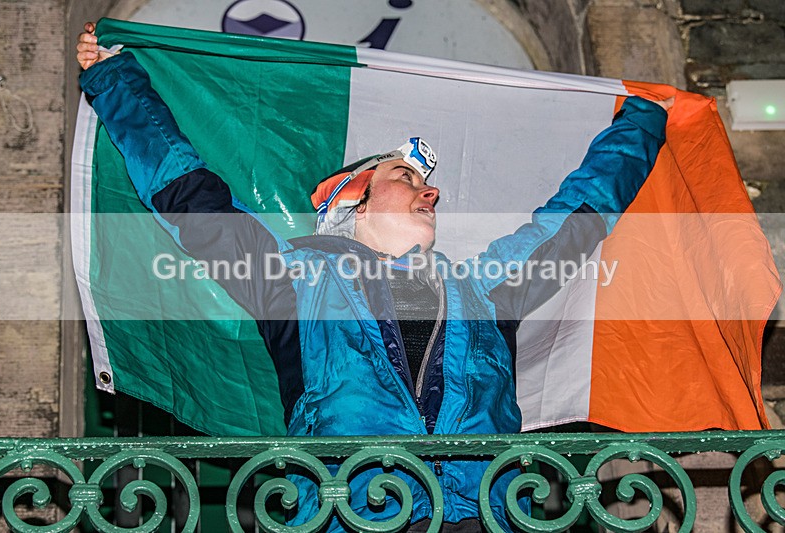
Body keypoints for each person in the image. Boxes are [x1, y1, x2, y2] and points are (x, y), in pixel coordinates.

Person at [77, 22, 672, 532]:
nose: (430, 191)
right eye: (405, 177)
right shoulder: (293, 280)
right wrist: (114, 80)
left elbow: (577, 219)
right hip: (346, 519)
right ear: (354, 203)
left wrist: (644, 122)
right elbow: (190, 198)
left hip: (485, 519)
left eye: (426, 184)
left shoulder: (486, 290)